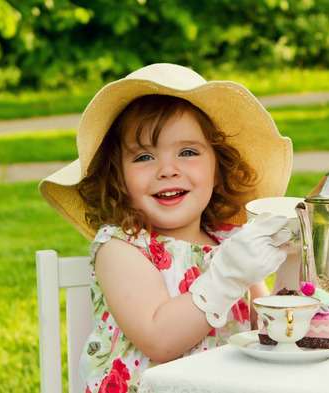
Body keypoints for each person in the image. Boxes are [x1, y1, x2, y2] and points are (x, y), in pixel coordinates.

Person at [39, 63, 294, 392]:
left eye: (187, 152)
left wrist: (294, 255)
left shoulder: (228, 241)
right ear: (118, 176)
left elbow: (270, 333)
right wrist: (230, 272)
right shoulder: (121, 248)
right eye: (144, 157)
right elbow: (160, 340)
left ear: (218, 170)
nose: (168, 170)